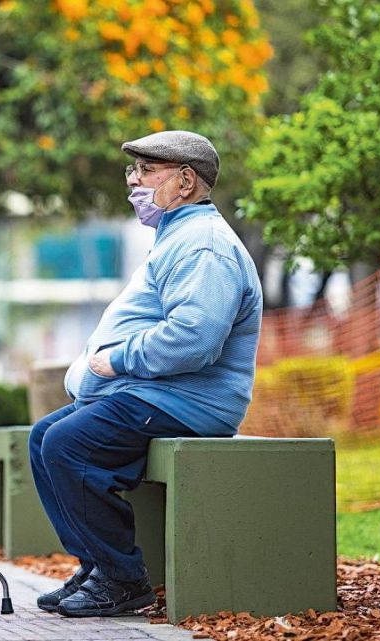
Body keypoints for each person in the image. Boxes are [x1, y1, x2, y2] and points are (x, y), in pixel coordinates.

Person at [30, 130, 263, 617]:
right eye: (132, 172)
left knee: (68, 444)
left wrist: (118, 358)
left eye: (145, 172)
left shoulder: (204, 246)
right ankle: (97, 565)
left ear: (185, 181)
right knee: (44, 436)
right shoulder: (177, 234)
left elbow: (194, 339)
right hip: (155, 394)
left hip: (187, 400)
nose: (133, 182)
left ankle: (122, 579)